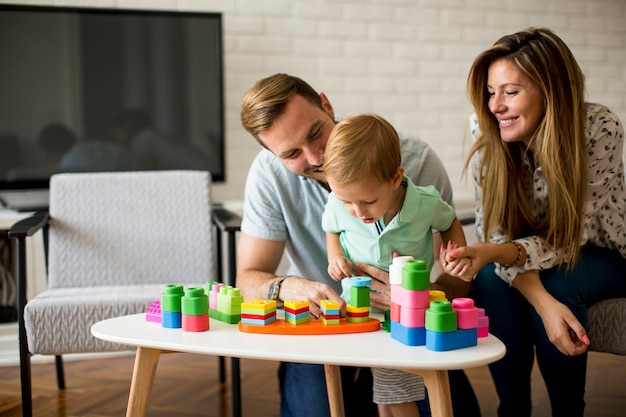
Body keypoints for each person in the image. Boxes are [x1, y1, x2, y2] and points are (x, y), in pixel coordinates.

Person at [238, 73, 479, 417]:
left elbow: (458, 273)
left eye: (316, 132)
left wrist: (425, 296)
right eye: (292, 153)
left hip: (404, 323)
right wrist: (287, 287)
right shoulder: (268, 176)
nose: (316, 157)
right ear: (273, 156)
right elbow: (247, 278)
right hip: (319, 324)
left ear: (327, 105)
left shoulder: (416, 160)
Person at [442, 27, 626, 417]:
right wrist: (539, 300)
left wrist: (542, 294)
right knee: (491, 280)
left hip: (601, 252)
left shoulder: (599, 129)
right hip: (525, 252)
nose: (495, 106)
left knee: (559, 279)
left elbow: (569, 239)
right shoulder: (485, 125)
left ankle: (567, 410)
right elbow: (495, 232)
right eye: (491, 92)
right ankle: (514, 408)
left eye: (510, 92)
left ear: (551, 89)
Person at [322, 113, 469, 417]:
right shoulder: (340, 205)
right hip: (360, 306)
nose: (357, 211)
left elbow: (449, 221)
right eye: (347, 202)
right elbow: (332, 228)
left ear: (394, 178)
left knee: (398, 382)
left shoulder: (424, 202)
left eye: (367, 201)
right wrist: (334, 256)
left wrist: (454, 253)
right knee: (384, 384)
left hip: (407, 305)